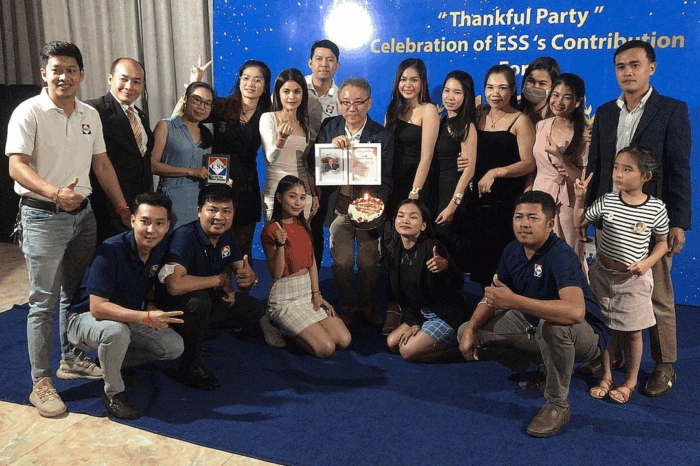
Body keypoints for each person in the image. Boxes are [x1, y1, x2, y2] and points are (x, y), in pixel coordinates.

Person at [6, 41, 130, 417]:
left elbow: (102, 164)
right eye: (56, 70)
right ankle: (40, 382)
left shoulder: (89, 114)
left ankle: (71, 359)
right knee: (42, 302)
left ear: (81, 74)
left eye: (71, 70)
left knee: (73, 293)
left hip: (83, 217)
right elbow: (17, 166)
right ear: (44, 73)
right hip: (42, 216)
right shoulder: (28, 111)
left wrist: (122, 207)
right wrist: (55, 193)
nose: (64, 76)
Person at [584, 40, 692, 396]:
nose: (627, 72)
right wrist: (591, 216)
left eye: (635, 65)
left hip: (649, 220)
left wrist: (678, 221)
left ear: (651, 68)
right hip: (609, 218)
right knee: (608, 292)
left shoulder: (671, 110)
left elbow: (679, 170)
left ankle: (664, 364)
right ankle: (611, 355)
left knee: (656, 295)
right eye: (621, 66)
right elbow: (597, 167)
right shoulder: (605, 112)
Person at [458, 191, 609, 438]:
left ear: (550, 224)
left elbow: (575, 312)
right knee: (466, 331)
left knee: (553, 327)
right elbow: (493, 296)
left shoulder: (561, 256)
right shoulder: (512, 250)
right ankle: (544, 364)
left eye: (532, 218)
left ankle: (558, 405)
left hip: (585, 334)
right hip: (533, 324)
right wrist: (472, 328)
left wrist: (515, 301)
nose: (524, 223)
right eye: (518, 217)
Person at [65, 192, 184, 419]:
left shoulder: (158, 249)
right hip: (83, 318)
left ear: (168, 225)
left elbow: (149, 283)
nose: (151, 230)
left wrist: (150, 304)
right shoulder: (109, 250)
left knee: (174, 347)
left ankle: (109, 361)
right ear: (132, 220)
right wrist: (145, 318)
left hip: (125, 317)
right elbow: (97, 307)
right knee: (116, 332)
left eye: (159, 223)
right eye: (145, 221)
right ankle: (113, 393)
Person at [574, 146, 669, 404]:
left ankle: (630, 381)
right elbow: (579, 222)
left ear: (645, 176)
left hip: (633, 281)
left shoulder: (656, 208)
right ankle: (606, 376)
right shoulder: (607, 200)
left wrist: (647, 263)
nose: (618, 174)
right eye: (616, 167)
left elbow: (662, 243)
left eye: (627, 169)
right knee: (605, 327)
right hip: (602, 276)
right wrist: (580, 199)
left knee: (633, 332)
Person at [157, 184, 263, 390]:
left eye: (226, 211)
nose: (219, 217)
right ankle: (190, 368)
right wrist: (220, 281)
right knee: (199, 301)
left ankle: (193, 337)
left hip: (205, 300)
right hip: (173, 307)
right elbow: (175, 285)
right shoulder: (185, 236)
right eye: (212, 210)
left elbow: (243, 271)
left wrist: (250, 279)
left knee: (253, 308)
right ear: (199, 211)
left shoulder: (226, 236)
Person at [309, 77, 394, 327]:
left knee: (369, 263)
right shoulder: (330, 126)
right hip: (340, 207)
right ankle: (347, 304)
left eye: (358, 102)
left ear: (369, 103)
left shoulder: (382, 136)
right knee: (342, 262)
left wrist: (373, 206)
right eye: (345, 102)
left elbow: (387, 179)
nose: (352, 108)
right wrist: (330, 147)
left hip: (368, 210)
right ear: (339, 103)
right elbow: (315, 162)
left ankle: (367, 304)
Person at [260, 175, 351, 357]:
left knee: (343, 340)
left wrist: (316, 295)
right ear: (279, 197)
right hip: (284, 298)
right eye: (292, 196)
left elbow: (312, 262)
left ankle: (301, 328)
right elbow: (277, 273)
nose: (298, 202)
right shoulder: (271, 229)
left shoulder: (303, 224)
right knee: (325, 349)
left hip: (306, 293)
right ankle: (273, 323)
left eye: (302, 197)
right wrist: (280, 245)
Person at [195, 58, 272, 258]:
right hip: (218, 181)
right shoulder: (221, 106)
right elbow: (190, 114)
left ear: (265, 86)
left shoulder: (268, 115)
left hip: (247, 186)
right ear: (239, 81)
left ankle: (244, 279)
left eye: (257, 80)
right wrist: (196, 81)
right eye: (246, 78)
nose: (250, 84)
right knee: (215, 246)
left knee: (242, 249)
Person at [468, 64, 535, 289]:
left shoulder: (520, 120)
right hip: (478, 202)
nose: (495, 93)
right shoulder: (479, 115)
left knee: (504, 268)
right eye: (490, 87)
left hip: (506, 203)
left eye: (502, 87)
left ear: (513, 90)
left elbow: (529, 163)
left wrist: (496, 172)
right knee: (481, 267)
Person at [386, 200, 471, 362]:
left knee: (407, 351)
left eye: (413, 217)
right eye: (401, 216)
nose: (405, 220)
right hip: (421, 313)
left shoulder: (433, 247)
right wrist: (414, 323)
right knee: (392, 343)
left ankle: (459, 349)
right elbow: (401, 296)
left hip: (445, 315)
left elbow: (458, 283)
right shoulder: (394, 251)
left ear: (423, 225)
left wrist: (445, 266)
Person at [86, 57, 154, 243]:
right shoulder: (93, 110)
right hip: (106, 206)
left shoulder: (140, 116)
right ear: (110, 78)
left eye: (137, 82)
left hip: (137, 205)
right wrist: (120, 206)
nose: (129, 86)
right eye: (124, 79)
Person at [531, 73, 588, 265]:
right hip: (541, 196)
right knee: (539, 253)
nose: (559, 101)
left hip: (568, 201)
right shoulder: (541, 126)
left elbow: (582, 178)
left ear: (577, 102)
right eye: (555, 95)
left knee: (570, 255)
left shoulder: (583, 133)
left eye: (567, 97)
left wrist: (560, 156)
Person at [151, 82, 214, 229]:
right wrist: (190, 171)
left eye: (207, 103)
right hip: (172, 200)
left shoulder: (207, 134)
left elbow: (205, 171)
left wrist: (219, 178)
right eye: (197, 100)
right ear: (185, 99)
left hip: (201, 202)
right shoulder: (166, 126)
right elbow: (152, 165)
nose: (201, 107)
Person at [433, 70, 478, 273]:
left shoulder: (467, 126)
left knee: (453, 251)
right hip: (437, 191)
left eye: (457, 92)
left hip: (455, 194)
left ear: (466, 95)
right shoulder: (440, 122)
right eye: (447, 90)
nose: (450, 97)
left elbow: (469, 170)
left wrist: (453, 204)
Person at [384, 58, 440, 218]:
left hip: (414, 183)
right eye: (403, 79)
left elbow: (427, 156)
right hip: (392, 183)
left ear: (422, 82)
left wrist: (415, 190)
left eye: (414, 80)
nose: (408, 85)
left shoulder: (428, 110)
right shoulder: (394, 110)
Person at [305, 39, 342, 271]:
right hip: (292, 163)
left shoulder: (341, 97)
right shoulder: (295, 88)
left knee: (315, 225)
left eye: (330, 60)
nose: (324, 64)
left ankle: (314, 280)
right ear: (310, 62)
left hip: (324, 170)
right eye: (319, 59)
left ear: (337, 65)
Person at [260, 68, 315, 220]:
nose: (292, 97)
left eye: (297, 91)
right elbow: (271, 158)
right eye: (286, 91)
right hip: (275, 192)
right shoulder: (268, 118)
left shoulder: (304, 122)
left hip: (301, 195)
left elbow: (302, 164)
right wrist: (281, 139)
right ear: (278, 93)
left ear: (303, 94)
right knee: (277, 234)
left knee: (301, 235)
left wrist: (310, 194)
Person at [519, 57, 560, 125]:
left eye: (542, 83)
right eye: (531, 81)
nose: (536, 86)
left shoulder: (559, 118)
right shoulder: (513, 114)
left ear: (553, 87)